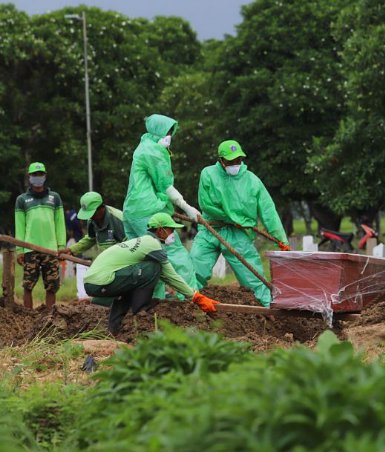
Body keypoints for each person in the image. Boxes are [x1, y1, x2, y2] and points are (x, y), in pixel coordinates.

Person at [84, 213, 220, 334]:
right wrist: (196, 297)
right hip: (102, 280)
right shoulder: (152, 244)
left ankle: (113, 329)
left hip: (94, 281)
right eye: (171, 230)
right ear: (161, 230)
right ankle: (142, 313)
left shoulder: (143, 242)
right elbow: (171, 276)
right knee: (153, 268)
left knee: (129, 287)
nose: (174, 234)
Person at [190, 140, 289, 307]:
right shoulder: (208, 174)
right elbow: (206, 204)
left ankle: (270, 311)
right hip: (210, 229)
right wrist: (234, 219)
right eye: (230, 161)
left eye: (238, 160)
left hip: (238, 235)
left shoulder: (252, 181)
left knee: (254, 279)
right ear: (221, 160)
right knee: (194, 269)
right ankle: (182, 305)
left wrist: (281, 239)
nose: (235, 164)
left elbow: (268, 211)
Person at [122, 114, 199, 298]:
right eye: (168, 132)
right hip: (149, 212)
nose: (170, 136)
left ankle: (152, 302)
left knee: (145, 257)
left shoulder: (143, 146)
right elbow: (165, 184)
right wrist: (186, 206)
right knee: (174, 254)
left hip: (131, 212)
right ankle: (191, 299)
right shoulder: (153, 151)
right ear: (159, 131)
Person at [59, 192, 127, 304]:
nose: (90, 217)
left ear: (101, 208)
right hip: (108, 263)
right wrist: (71, 250)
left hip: (122, 264)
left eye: (92, 213)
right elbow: (91, 238)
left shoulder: (118, 220)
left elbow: (129, 246)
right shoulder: (92, 220)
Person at [14, 162, 66, 308]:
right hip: (30, 248)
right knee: (28, 285)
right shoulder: (22, 200)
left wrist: (61, 245)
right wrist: (20, 249)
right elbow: (20, 226)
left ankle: (49, 317)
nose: (37, 177)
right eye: (34, 175)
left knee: (52, 286)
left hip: (51, 249)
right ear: (29, 177)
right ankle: (28, 317)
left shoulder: (54, 198)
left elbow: (60, 223)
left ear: (45, 176)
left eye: (40, 174)